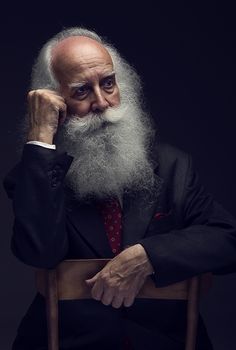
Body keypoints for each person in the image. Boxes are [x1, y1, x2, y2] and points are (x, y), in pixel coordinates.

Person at [3, 27, 236, 350]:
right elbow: (39, 252)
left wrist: (148, 256)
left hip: (164, 342)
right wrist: (42, 138)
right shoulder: (36, 174)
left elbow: (228, 239)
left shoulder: (172, 166)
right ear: (57, 101)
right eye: (82, 91)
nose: (102, 102)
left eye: (108, 84)